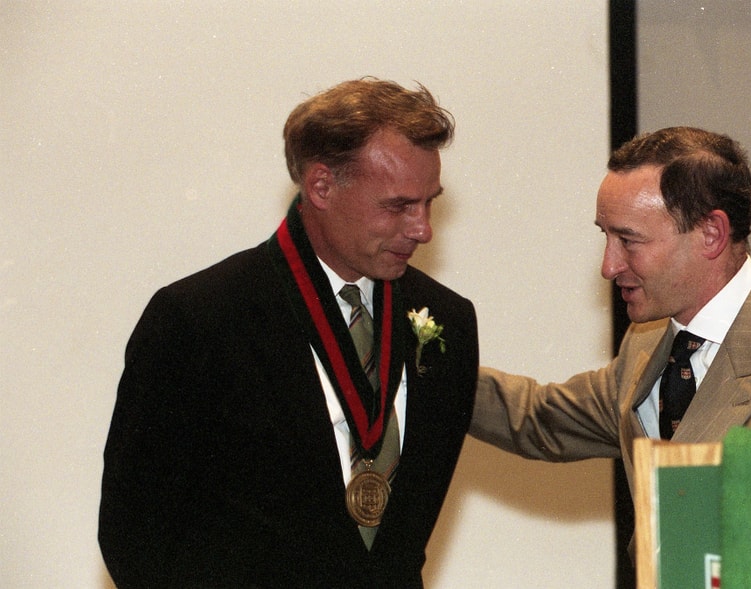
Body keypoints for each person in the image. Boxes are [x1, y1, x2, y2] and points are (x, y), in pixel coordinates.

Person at [99, 78, 479, 588]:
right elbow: (134, 537)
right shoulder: (199, 318)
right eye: (398, 205)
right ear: (321, 186)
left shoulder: (448, 320)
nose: (423, 228)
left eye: (430, 202)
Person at [470, 126, 751, 508]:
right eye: (605, 237)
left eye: (628, 241)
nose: (608, 266)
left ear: (711, 233)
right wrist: (423, 351)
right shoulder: (646, 342)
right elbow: (537, 417)